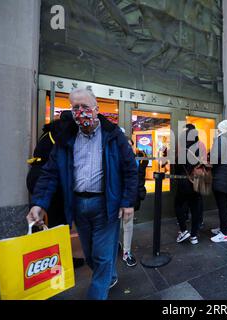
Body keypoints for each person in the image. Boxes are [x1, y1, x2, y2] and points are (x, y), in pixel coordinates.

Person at [27, 88, 138, 300]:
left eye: (85, 107)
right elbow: (50, 173)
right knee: (90, 256)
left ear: (96, 110)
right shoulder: (65, 139)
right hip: (78, 206)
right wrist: (38, 203)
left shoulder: (114, 136)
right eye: (75, 107)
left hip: (106, 206)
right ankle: (110, 274)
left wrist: (127, 201)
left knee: (103, 257)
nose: (80, 112)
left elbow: (130, 170)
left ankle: (99, 289)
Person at [26, 110, 85, 269]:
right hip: (49, 179)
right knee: (59, 222)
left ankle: (42, 261)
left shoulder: (48, 132)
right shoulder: (63, 132)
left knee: (43, 220)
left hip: (36, 176)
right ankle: (59, 261)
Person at [119, 140, 148, 267]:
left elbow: (137, 180)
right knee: (113, 227)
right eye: (127, 145)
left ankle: (126, 252)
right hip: (115, 198)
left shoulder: (135, 161)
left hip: (128, 198)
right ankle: (116, 246)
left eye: (131, 146)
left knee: (128, 225)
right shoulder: (114, 159)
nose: (129, 148)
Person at [175, 124, 204, 245]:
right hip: (196, 182)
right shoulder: (199, 149)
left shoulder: (183, 151)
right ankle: (194, 236)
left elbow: (176, 168)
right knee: (195, 209)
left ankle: (183, 230)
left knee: (178, 205)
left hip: (184, 184)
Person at [210, 120, 227, 242]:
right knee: (223, 206)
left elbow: (215, 158)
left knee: (222, 206)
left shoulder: (220, 140)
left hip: (220, 177)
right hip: (226, 177)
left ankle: (224, 233)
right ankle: (223, 228)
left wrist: (209, 159)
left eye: (218, 128)